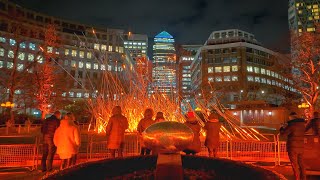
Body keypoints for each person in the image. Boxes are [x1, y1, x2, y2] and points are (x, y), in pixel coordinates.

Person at [280, 112, 306, 180]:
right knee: (301, 165)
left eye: (289, 117)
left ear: (291, 117)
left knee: (295, 165)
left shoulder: (291, 125)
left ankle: (297, 178)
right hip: (301, 147)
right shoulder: (303, 125)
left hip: (292, 148)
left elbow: (283, 135)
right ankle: (303, 178)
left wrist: (282, 128)